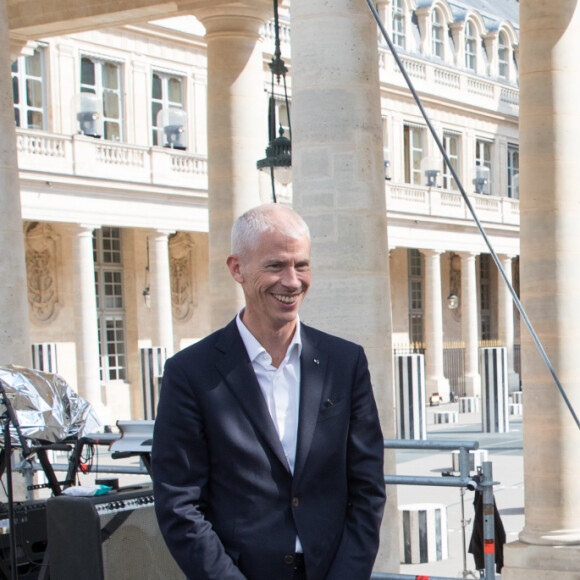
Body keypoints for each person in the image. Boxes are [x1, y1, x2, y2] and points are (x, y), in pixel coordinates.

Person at [152, 203, 386, 580]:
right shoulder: (189, 373)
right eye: (276, 265)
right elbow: (179, 504)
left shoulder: (346, 362)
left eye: (302, 265)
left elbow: (367, 489)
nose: (292, 281)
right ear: (237, 269)